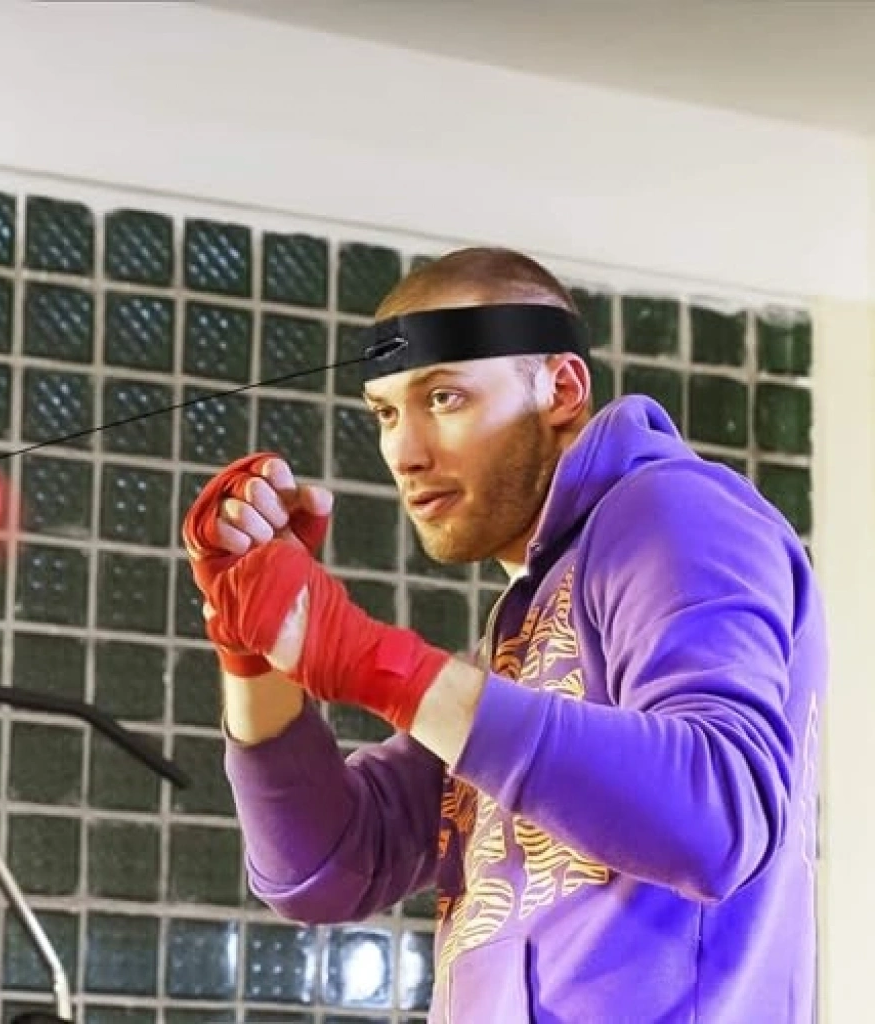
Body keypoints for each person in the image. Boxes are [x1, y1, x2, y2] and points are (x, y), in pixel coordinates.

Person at [182, 247, 827, 1023]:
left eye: (443, 397)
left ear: (561, 390)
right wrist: (252, 648)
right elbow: (325, 870)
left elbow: (718, 813)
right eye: (386, 413)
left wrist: (371, 660)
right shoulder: (522, 629)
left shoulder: (675, 512)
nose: (404, 453)